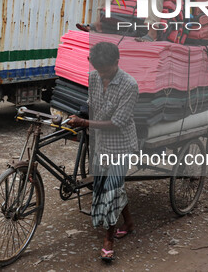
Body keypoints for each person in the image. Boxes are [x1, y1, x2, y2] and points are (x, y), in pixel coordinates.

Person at [68, 42, 138, 262]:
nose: (102, 75)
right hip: (99, 143)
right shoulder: (93, 78)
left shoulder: (129, 85)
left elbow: (118, 122)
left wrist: (85, 122)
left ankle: (109, 240)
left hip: (120, 145)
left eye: (106, 70)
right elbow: (92, 104)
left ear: (117, 63)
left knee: (111, 191)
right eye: (98, 70)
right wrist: (76, 117)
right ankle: (128, 223)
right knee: (105, 186)